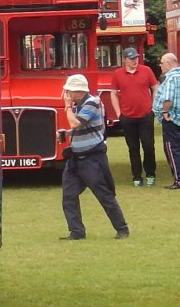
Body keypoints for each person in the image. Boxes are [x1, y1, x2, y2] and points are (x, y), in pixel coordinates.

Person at [58, 73, 129, 240]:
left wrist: (67, 107)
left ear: (78, 91)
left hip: (92, 159)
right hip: (76, 158)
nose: (67, 94)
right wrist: (67, 133)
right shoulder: (79, 104)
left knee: (104, 195)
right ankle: (76, 232)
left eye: (69, 91)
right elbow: (80, 128)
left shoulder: (93, 102)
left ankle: (122, 228)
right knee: (68, 195)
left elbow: (76, 123)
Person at [109, 46, 159, 187]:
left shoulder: (146, 70)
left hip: (145, 115)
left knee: (148, 145)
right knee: (133, 147)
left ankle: (150, 174)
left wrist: (153, 107)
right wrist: (118, 113)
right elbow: (113, 93)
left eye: (136, 58)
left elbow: (155, 88)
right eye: (131, 58)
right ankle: (136, 176)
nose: (134, 61)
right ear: (124, 59)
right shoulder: (118, 74)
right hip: (127, 116)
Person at [152, 51, 180, 189]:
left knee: (171, 149)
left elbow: (168, 97)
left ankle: (179, 180)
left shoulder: (170, 78)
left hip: (171, 117)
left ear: (169, 63)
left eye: (162, 63)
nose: (160, 66)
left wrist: (164, 111)